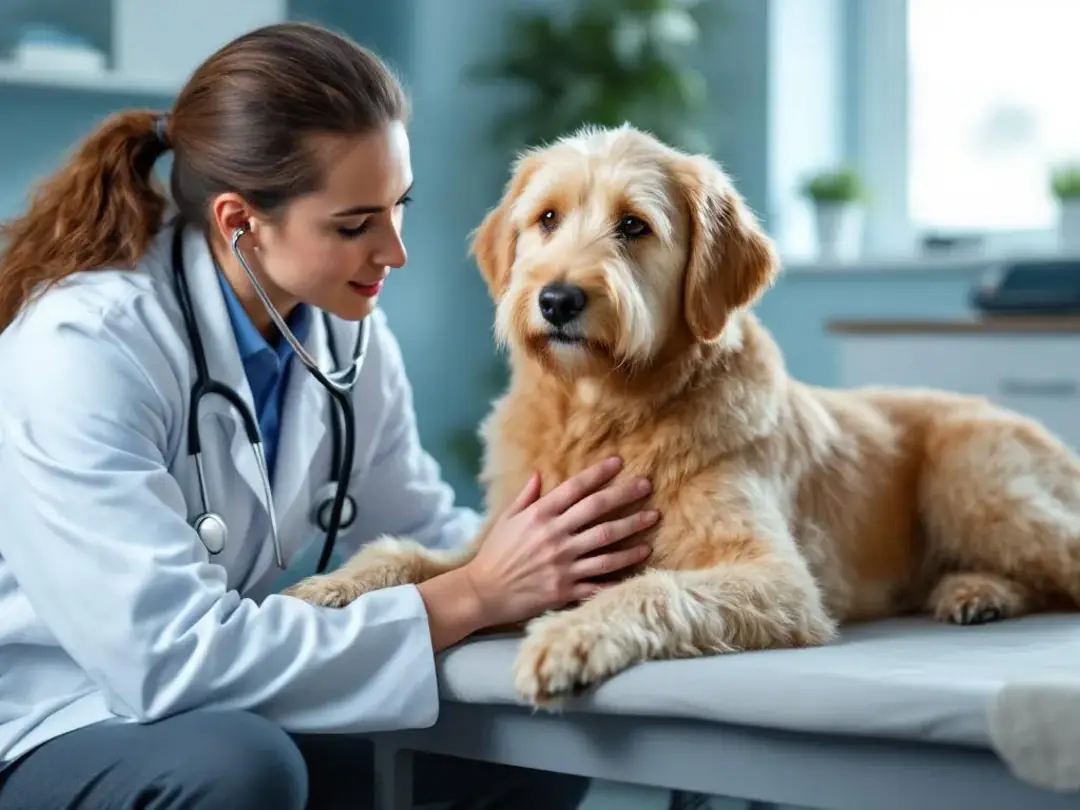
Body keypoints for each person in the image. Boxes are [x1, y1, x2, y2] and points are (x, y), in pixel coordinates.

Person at [0, 21, 659, 810]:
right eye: (355, 225)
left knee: (529, 749)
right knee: (243, 769)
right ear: (240, 223)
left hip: (204, 698)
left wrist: (577, 575)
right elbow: (166, 657)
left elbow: (418, 524)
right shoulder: (85, 346)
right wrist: (473, 596)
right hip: (47, 715)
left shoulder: (339, 330)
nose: (395, 251)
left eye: (398, 206)